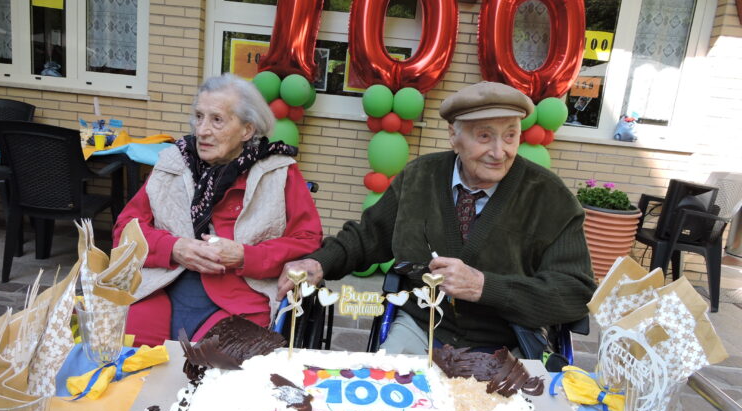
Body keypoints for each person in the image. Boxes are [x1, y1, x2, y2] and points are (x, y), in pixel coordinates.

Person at [278, 81, 596, 354]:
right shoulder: (420, 177)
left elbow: (573, 292)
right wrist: (318, 262)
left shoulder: (550, 198)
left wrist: (486, 287)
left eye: (510, 136)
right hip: (422, 328)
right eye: (484, 136)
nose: (500, 152)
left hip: (508, 339)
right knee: (387, 392)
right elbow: (368, 236)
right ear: (453, 137)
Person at [114, 74, 323, 346]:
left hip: (239, 300)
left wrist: (245, 256)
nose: (201, 130)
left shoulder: (278, 172)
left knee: (214, 375)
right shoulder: (173, 163)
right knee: (127, 365)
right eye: (199, 117)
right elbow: (124, 232)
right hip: (159, 287)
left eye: (217, 120)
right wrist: (173, 248)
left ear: (247, 130)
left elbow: (307, 241)